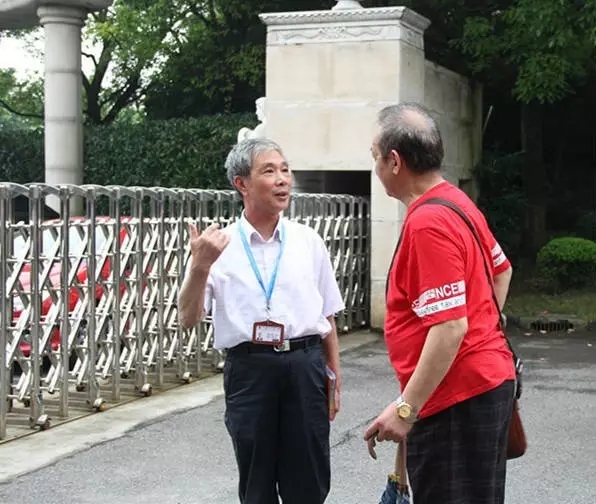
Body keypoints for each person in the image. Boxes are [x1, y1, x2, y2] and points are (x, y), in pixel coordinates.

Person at [363, 102, 516, 504]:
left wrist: (406, 409)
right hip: (478, 387)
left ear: (395, 161)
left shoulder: (428, 223)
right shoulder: (457, 202)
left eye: (375, 157)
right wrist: (480, 336)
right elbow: (502, 270)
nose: (375, 167)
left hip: (455, 400)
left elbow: (450, 326)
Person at [178, 137, 345, 504]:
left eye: (285, 170)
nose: (282, 179)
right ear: (242, 184)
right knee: (257, 485)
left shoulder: (308, 241)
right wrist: (200, 266)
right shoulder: (217, 245)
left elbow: (327, 316)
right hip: (249, 370)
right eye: (269, 171)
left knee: (309, 482)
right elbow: (188, 318)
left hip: (304, 366)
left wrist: (333, 377)